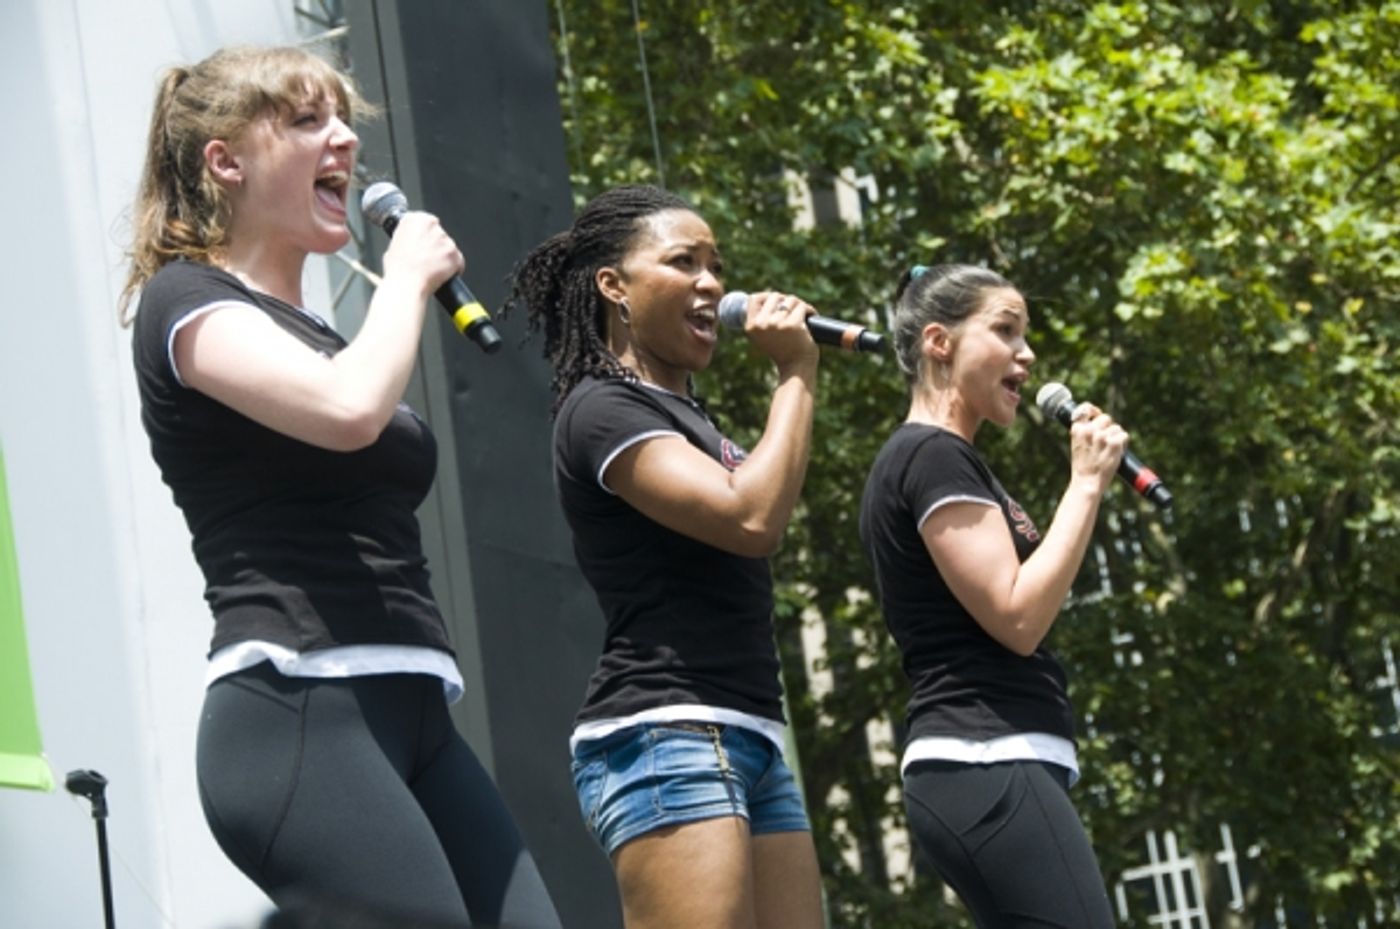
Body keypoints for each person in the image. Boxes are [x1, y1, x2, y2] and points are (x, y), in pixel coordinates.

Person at [120, 45, 560, 928]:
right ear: (225, 161)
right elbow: (351, 408)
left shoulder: (318, 329)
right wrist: (403, 280)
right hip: (298, 704)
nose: (343, 142)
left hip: (416, 705)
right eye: (306, 121)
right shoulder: (186, 301)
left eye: (344, 122)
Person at [503, 184, 825, 929]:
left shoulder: (687, 416)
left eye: (716, 265)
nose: (712, 282)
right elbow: (751, 516)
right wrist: (796, 374)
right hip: (668, 732)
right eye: (684, 262)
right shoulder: (600, 408)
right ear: (614, 285)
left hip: (751, 727)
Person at [858, 264, 1122, 928]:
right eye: (1005, 330)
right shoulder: (932, 456)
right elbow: (1017, 614)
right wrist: (1085, 484)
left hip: (993, 758)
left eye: (1026, 335)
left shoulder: (945, 458)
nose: (1027, 354)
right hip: (985, 751)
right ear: (939, 342)